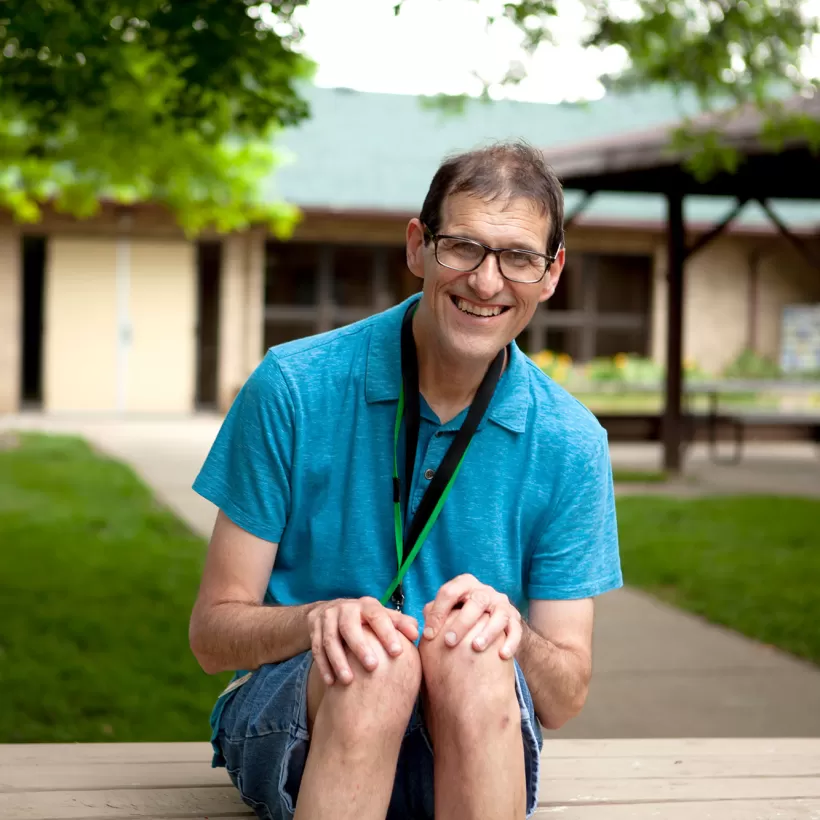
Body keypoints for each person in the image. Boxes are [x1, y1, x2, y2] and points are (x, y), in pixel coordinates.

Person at [189, 140, 622, 820]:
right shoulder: (293, 387)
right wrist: (319, 620)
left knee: (475, 655)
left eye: (517, 257)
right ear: (418, 246)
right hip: (303, 724)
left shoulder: (572, 442)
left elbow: (564, 697)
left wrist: (511, 629)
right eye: (463, 247)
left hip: (476, 734)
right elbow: (213, 637)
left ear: (551, 272)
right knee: (375, 659)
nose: (486, 281)